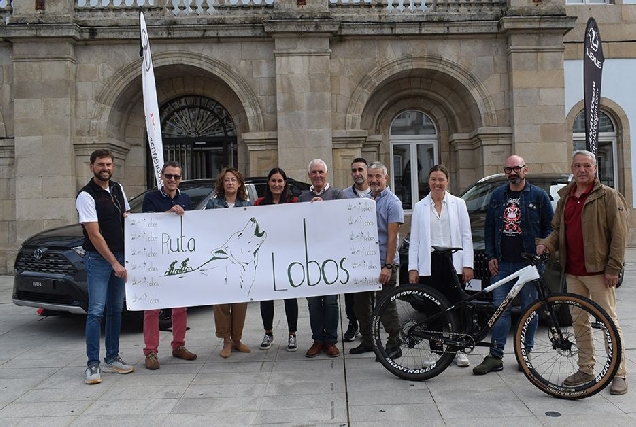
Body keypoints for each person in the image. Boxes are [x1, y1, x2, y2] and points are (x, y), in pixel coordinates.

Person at [537, 150, 628, 395]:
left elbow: (620, 236)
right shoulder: (566, 197)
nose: (582, 170)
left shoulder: (608, 196)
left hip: (599, 272)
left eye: (586, 165)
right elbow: (558, 231)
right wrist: (546, 243)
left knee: (609, 322)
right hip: (573, 272)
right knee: (579, 322)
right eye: (577, 166)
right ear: (572, 168)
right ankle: (586, 369)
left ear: (595, 168)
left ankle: (618, 373)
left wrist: (613, 268)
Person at [473, 155, 553, 375]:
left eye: (516, 168)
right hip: (502, 264)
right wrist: (490, 256)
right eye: (508, 170)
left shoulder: (538, 196)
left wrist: (543, 246)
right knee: (501, 310)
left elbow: (551, 227)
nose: (513, 173)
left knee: (530, 311)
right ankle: (495, 355)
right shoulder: (498, 196)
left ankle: (524, 354)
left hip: (529, 265)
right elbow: (489, 229)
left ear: (525, 170)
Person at [76, 149, 135, 384]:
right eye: (101, 164)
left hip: (119, 256)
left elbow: (128, 219)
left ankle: (113, 357)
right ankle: (92, 364)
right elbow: (94, 235)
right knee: (95, 311)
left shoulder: (118, 189)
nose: (106, 168)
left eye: (109, 164)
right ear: (91, 167)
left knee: (115, 310)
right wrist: (114, 263)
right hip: (99, 260)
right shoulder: (85, 195)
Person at [408, 165, 474, 367]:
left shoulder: (458, 204)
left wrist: (467, 264)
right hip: (430, 263)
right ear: (429, 182)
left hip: (453, 261)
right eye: (433, 179)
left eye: (441, 179)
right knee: (433, 310)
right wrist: (413, 267)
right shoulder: (420, 207)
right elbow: (416, 240)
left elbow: (466, 235)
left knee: (457, 307)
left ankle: (459, 349)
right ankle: (436, 352)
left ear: (447, 182)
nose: (437, 183)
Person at [141, 161, 198, 370]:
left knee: (180, 306)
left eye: (176, 176)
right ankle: (151, 351)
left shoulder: (186, 199)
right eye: (169, 176)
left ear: (180, 179)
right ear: (162, 177)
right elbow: (146, 223)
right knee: (152, 307)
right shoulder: (151, 198)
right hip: (155, 260)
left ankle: (179, 345)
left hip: (177, 260)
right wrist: (168, 214)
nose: (172, 180)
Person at [349, 162, 402, 359]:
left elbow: (392, 237)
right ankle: (368, 340)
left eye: (378, 176)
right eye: (370, 176)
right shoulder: (366, 200)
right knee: (361, 306)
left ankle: (394, 343)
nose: (373, 180)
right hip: (364, 263)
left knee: (386, 305)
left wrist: (388, 266)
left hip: (383, 263)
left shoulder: (392, 202)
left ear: (386, 178)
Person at [298, 159, 347, 358]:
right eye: (314, 172)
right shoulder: (302, 197)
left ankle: (331, 340)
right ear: (309, 175)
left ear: (326, 174)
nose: (317, 175)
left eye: (321, 172)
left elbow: (343, 219)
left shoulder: (337, 195)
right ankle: (318, 339)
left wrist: (323, 206)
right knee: (313, 301)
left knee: (331, 301)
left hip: (332, 257)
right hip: (311, 257)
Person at [206, 167, 252, 358]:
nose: (230, 183)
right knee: (222, 302)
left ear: (239, 183)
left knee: (240, 301)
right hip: (220, 260)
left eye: (233, 180)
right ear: (222, 184)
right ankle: (225, 340)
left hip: (241, 261)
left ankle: (237, 339)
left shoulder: (247, 205)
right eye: (227, 180)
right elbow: (204, 227)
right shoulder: (212, 204)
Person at [254, 167, 300, 352]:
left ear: (285, 183)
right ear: (268, 183)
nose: (276, 184)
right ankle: (268, 332)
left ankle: (292, 334)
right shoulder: (259, 203)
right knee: (266, 297)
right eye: (273, 180)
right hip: (266, 258)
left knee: (290, 297)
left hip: (287, 257)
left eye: (280, 181)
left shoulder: (294, 202)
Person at [341, 157, 372, 342]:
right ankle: (353, 324)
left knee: (371, 293)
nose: (357, 174)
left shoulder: (377, 193)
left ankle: (370, 325)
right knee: (350, 293)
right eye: (354, 170)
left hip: (371, 251)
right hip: (351, 251)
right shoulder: (344, 195)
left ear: (366, 171)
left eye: (360, 169)